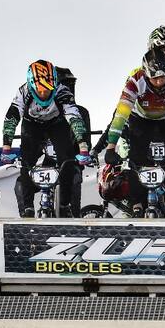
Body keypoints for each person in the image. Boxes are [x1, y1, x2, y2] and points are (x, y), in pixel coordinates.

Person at [102, 47, 165, 217]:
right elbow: (120, 116)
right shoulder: (135, 82)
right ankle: (137, 204)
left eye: (163, 77)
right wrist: (111, 147)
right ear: (146, 74)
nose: (160, 82)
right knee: (135, 160)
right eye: (155, 78)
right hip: (141, 119)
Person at [1, 60, 90, 217]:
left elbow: (75, 119)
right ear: (32, 85)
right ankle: (27, 207)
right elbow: (11, 118)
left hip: (57, 124)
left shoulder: (62, 92)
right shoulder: (24, 92)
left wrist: (83, 148)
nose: (43, 94)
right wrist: (6, 147)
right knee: (27, 161)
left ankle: (64, 204)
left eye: (47, 90)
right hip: (32, 124)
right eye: (40, 90)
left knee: (68, 160)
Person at [54, 67, 91, 216]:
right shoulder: (42, 112)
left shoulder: (81, 112)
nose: (68, 89)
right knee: (21, 183)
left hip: (72, 163)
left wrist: (83, 153)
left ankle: (72, 217)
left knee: (74, 178)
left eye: (70, 85)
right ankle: (27, 214)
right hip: (49, 163)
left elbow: (87, 142)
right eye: (64, 85)